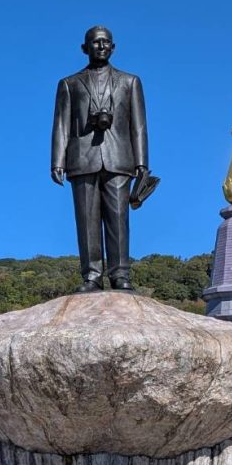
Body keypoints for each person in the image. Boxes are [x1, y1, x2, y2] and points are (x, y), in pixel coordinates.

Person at [50, 25, 150, 292]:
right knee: (86, 220)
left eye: (106, 42)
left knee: (118, 218)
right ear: (85, 48)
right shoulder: (69, 84)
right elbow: (61, 125)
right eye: (95, 42)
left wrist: (142, 163)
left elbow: (139, 126)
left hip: (119, 158)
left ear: (113, 47)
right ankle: (92, 275)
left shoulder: (130, 82)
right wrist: (57, 160)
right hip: (82, 157)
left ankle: (120, 273)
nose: (101, 46)